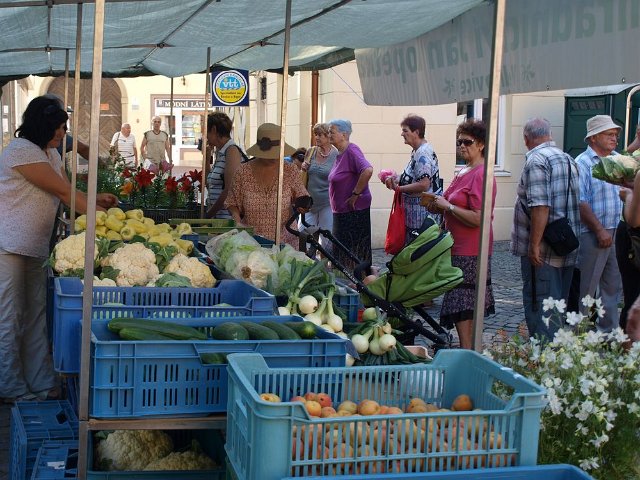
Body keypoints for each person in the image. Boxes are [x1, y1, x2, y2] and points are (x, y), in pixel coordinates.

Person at [0, 95, 118, 402]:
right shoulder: (21, 151)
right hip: (8, 247)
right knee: (10, 317)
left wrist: (97, 199)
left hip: (36, 246)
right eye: (57, 128)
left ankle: (39, 382)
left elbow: (68, 189)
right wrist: (109, 218)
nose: (61, 134)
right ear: (40, 125)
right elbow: (63, 191)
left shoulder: (49, 152)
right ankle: (10, 386)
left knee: (36, 316)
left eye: (63, 128)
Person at [426, 119, 496, 349]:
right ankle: (469, 350)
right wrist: (436, 204)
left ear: (482, 144)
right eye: (459, 142)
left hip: (471, 249)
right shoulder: (464, 170)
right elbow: (450, 201)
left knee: (464, 307)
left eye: (468, 142)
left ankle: (470, 351)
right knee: (460, 307)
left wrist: (449, 207)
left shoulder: (482, 174)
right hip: (455, 247)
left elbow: (479, 218)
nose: (462, 146)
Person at [510, 118, 580, 340]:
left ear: (526, 138)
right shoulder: (568, 158)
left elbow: (540, 206)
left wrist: (533, 245)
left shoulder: (536, 160)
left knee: (542, 307)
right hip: (566, 243)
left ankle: (543, 362)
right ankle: (556, 356)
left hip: (545, 251)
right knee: (559, 306)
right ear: (550, 134)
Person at [575, 115, 623, 332]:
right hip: (593, 232)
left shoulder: (617, 159)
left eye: (615, 135)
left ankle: (607, 333)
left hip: (617, 230)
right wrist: (599, 230)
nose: (614, 138)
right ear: (593, 138)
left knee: (613, 285)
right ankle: (581, 333)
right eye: (609, 134)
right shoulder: (582, 163)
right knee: (587, 287)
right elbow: (581, 202)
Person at [225, 123, 308, 245]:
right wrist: (236, 219)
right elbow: (232, 202)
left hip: (285, 242)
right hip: (250, 241)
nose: (274, 158)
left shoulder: (290, 170)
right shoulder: (243, 172)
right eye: (270, 154)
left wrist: (304, 205)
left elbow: (302, 196)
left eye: (277, 153)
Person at [384, 114, 441, 243]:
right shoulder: (418, 150)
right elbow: (414, 177)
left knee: (416, 251)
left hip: (420, 217)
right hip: (417, 215)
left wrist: (398, 188)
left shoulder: (422, 153)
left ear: (416, 132)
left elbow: (424, 184)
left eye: (405, 130)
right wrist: (396, 178)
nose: (402, 134)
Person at [328, 119, 374, 273]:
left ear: (344, 134)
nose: (329, 135)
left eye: (332, 132)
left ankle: (360, 283)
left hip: (353, 212)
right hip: (341, 212)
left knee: (355, 252)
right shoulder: (339, 154)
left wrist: (355, 194)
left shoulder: (352, 150)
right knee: (342, 251)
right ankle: (348, 280)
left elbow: (367, 170)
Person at [299, 123, 338, 245]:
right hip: (310, 202)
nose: (317, 137)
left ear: (327, 136)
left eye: (320, 135)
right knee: (304, 234)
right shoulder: (311, 151)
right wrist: (303, 167)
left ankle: (325, 263)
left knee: (327, 239)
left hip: (327, 203)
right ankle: (310, 263)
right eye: (315, 134)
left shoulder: (336, 154)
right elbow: (304, 174)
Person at [204, 112, 244, 219]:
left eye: (205, 132)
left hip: (228, 220)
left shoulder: (232, 151)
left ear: (213, 130)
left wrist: (208, 215)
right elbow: (208, 184)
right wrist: (206, 159)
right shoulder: (221, 152)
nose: (205, 136)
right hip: (218, 220)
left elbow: (229, 190)